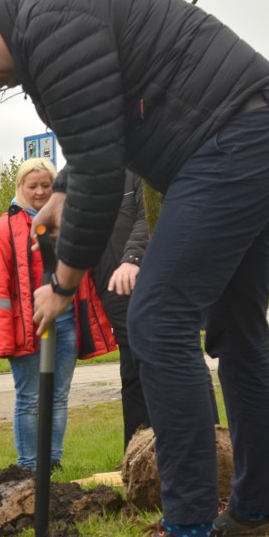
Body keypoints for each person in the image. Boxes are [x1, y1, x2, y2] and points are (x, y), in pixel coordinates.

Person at [0, 0, 269, 537]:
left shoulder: (48, 25)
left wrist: (63, 284)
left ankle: (190, 532)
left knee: (156, 321)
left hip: (230, 141)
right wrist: (64, 187)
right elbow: (98, 131)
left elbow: (101, 168)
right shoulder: (47, 21)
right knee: (237, 332)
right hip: (258, 132)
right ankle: (254, 510)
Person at [0, 157, 114, 470]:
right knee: (30, 398)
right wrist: (3, 337)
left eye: (46, 185)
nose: (40, 192)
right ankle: (29, 465)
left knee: (58, 396)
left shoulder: (66, 223)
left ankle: (52, 462)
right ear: (21, 187)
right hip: (27, 328)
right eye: (33, 186)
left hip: (66, 323)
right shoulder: (6, 228)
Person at [93, 171, 151, 451]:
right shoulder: (89, 173)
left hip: (147, 280)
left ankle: (205, 450)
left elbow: (148, 217)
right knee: (131, 375)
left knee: (167, 366)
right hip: (114, 290)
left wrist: (133, 258)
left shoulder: (138, 170)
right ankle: (137, 455)